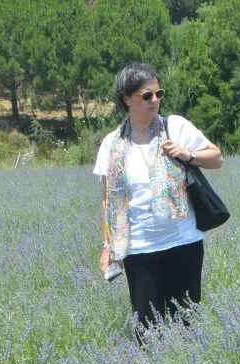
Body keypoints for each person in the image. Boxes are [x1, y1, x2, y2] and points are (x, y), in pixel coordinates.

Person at [95, 63, 224, 335]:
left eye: (158, 93)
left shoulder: (175, 126)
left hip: (183, 242)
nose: (155, 100)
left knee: (187, 325)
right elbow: (108, 200)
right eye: (147, 95)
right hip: (139, 248)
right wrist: (108, 245)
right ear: (126, 99)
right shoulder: (111, 144)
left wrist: (188, 154)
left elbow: (217, 158)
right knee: (147, 329)